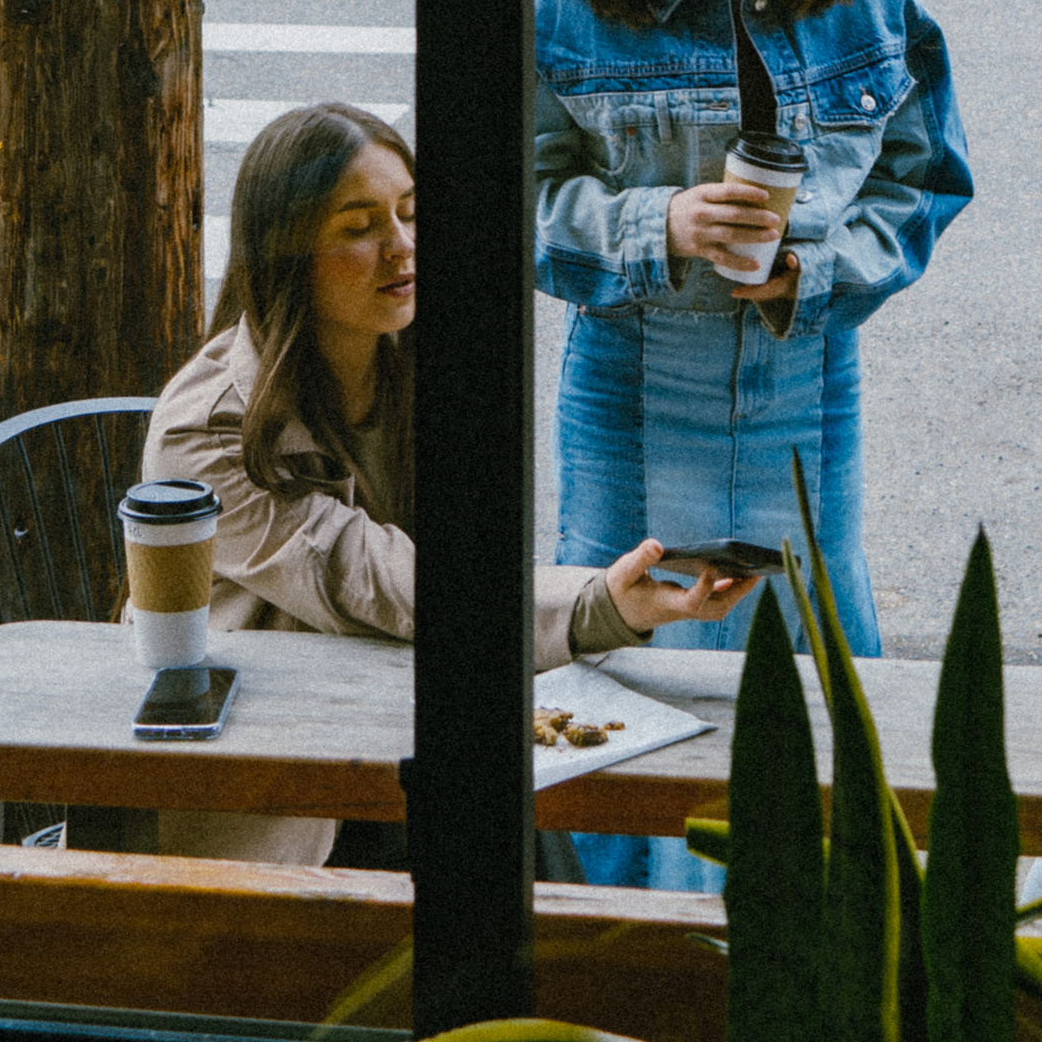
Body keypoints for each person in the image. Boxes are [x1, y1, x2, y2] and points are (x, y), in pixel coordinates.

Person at [536, 0, 974, 882]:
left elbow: (926, 179)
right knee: (624, 667)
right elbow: (505, 201)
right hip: (626, 391)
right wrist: (655, 225)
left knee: (813, 678)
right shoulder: (560, 7)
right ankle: (629, 944)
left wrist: (813, 271)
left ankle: (809, 928)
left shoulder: (864, 0)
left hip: (803, 390)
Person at [146, 103, 760, 865]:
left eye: (410, 213)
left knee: (541, 870)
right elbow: (368, 578)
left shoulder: (422, 366)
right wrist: (598, 603)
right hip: (284, 779)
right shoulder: (205, 429)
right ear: (284, 251)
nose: (401, 247)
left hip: (408, 717)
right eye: (358, 226)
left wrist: (618, 596)